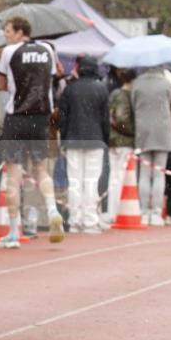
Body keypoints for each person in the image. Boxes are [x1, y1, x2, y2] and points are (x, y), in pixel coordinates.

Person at [0, 16, 64, 248]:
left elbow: (1, 84)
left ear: (19, 32)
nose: (5, 35)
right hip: (41, 117)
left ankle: (14, 232)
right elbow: (52, 80)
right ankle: (53, 209)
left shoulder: (8, 52)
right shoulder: (47, 49)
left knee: (13, 175)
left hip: (16, 117)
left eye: (7, 30)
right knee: (41, 170)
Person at [57, 56, 110, 234]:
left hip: (73, 138)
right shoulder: (101, 89)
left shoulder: (70, 90)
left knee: (74, 181)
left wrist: (63, 140)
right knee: (91, 181)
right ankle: (90, 221)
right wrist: (106, 139)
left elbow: (62, 118)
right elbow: (105, 119)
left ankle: (74, 220)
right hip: (95, 139)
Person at [131, 66, 171, 225]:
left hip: (143, 130)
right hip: (163, 131)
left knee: (144, 174)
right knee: (159, 174)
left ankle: (143, 211)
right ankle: (156, 213)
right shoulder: (166, 83)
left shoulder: (137, 83)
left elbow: (133, 104)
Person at [106, 69, 136, 222]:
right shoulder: (126, 96)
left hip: (112, 140)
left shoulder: (114, 94)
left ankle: (112, 210)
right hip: (125, 141)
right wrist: (133, 132)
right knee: (123, 177)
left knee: (114, 176)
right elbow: (122, 119)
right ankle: (118, 211)